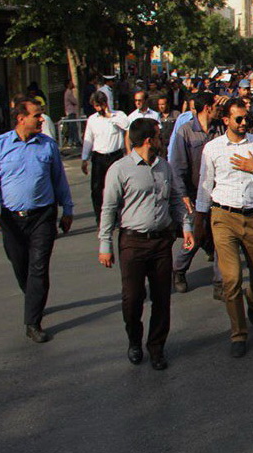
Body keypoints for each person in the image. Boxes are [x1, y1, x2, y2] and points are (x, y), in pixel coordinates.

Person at [98, 119, 194, 371]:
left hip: (161, 241)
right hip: (133, 242)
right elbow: (108, 209)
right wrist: (104, 244)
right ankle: (134, 340)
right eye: (159, 136)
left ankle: (157, 347)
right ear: (149, 140)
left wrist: (186, 227)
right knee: (132, 298)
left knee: (162, 297)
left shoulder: (165, 167)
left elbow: (175, 200)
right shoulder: (119, 169)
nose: (163, 140)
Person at [0, 99, 74, 343]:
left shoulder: (47, 146)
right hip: (12, 219)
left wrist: (68, 210)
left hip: (43, 215)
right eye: (37, 115)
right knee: (20, 265)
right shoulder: (0, 146)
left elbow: (59, 180)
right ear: (21, 118)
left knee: (39, 267)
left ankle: (33, 322)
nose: (41, 119)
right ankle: (33, 296)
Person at [195, 99, 253, 358]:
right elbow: (205, 185)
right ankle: (238, 333)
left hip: (252, 216)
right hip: (222, 216)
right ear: (226, 120)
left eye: (247, 119)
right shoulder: (213, 148)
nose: (244, 123)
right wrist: (199, 219)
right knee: (230, 279)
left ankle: (252, 298)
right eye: (238, 119)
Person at [169, 93, 224, 297]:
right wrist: (182, 194)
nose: (219, 108)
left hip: (219, 192)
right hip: (194, 194)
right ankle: (179, 270)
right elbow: (177, 165)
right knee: (196, 235)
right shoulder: (186, 131)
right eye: (216, 105)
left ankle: (219, 283)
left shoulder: (220, 128)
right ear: (207, 107)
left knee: (221, 238)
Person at [81, 91, 129, 225]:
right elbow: (88, 139)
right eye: (95, 106)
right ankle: (100, 219)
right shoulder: (92, 119)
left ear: (105, 103)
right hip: (99, 158)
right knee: (97, 189)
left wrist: (110, 116)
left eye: (99, 105)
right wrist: (84, 159)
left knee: (116, 188)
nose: (98, 109)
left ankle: (117, 217)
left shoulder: (118, 115)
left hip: (115, 156)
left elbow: (127, 125)